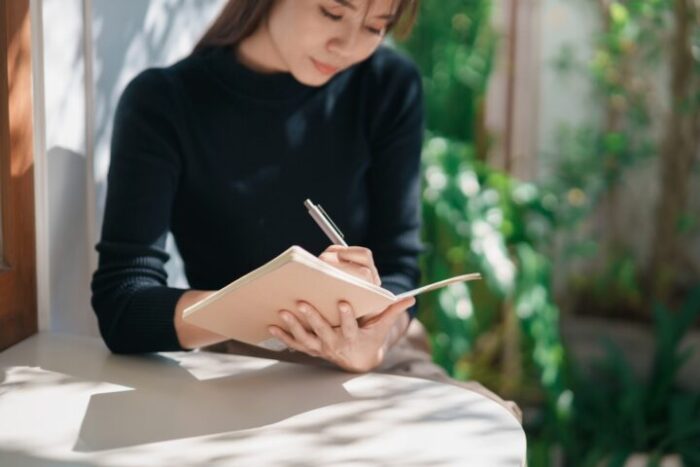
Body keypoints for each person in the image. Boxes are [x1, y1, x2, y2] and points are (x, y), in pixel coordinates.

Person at [91, 0, 521, 420]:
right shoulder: (164, 102)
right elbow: (124, 305)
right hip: (245, 367)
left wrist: (372, 341)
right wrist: (275, 304)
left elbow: (399, 265)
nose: (348, 45)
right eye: (333, 13)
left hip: (379, 359)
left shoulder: (388, 85)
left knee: (485, 427)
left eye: (376, 26)